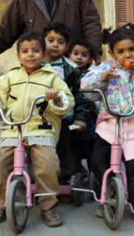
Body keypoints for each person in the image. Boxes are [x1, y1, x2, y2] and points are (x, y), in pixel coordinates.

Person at [0, 32, 74, 227]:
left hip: (41, 128)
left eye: (36, 51)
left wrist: (57, 97)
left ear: (43, 54)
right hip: (13, 129)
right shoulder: (10, 77)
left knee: (48, 164)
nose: (30, 55)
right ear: (18, 56)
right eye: (25, 51)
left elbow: (67, 101)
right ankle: (1, 202)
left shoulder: (52, 77)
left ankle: (48, 206)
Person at [81, 23, 134, 223]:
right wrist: (102, 78)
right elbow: (85, 87)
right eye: (121, 51)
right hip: (109, 126)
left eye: (131, 50)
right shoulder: (104, 68)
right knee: (98, 161)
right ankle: (105, 198)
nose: (127, 55)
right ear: (112, 53)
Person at [42, 22, 90, 186]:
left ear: (66, 46)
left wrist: (80, 118)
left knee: (65, 152)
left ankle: (65, 183)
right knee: (42, 152)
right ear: (43, 41)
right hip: (40, 118)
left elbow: (80, 95)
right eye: (51, 40)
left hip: (64, 118)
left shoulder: (71, 68)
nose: (55, 45)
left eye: (60, 42)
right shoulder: (34, 64)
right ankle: (41, 181)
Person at [68, 38, 98, 174]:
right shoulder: (67, 73)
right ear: (69, 55)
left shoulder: (94, 75)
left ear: (90, 59)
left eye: (84, 55)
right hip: (72, 116)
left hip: (89, 118)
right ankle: (75, 176)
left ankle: (96, 179)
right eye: (76, 54)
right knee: (72, 149)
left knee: (91, 148)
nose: (79, 57)